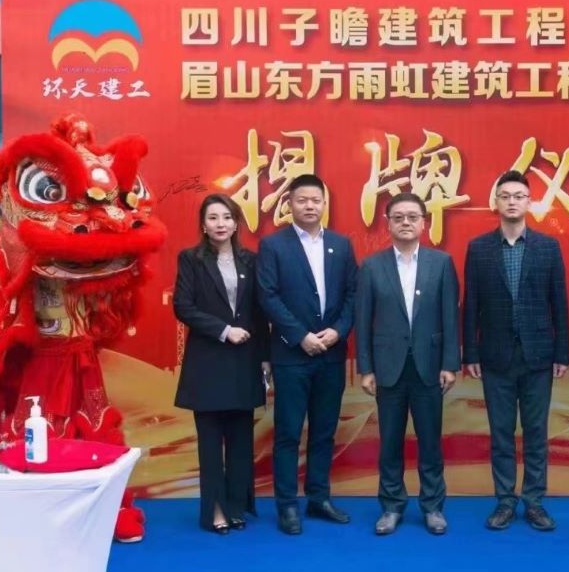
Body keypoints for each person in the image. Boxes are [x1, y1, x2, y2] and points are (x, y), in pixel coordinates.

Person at [462, 170, 569, 531]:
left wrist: (562, 353)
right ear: (496, 202)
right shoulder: (479, 248)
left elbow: (559, 303)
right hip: (495, 357)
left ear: (529, 202)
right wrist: (470, 354)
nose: (511, 201)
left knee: (536, 432)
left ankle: (534, 501)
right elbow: (471, 304)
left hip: (538, 355)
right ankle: (505, 501)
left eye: (519, 196)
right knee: (501, 433)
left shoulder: (548, 247)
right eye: (505, 196)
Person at [257, 174, 358, 535]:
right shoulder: (273, 245)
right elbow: (267, 296)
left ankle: (319, 497)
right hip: (292, 355)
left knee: (324, 431)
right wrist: (300, 336)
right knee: (287, 432)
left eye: (316, 200)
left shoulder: (341, 245)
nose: (310, 206)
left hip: (331, 354)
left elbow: (353, 294)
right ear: (290, 204)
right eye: (302, 200)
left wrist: (338, 331)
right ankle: (287, 505)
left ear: (324, 204)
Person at [355, 192, 460, 536]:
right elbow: (362, 320)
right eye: (398, 217)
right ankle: (391, 506)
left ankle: (433, 507)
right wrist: (366, 368)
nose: (405, 223)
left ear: (423, 223)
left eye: (412, 217)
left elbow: (450, 316)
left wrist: (450, 363)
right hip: (388, 368)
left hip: (429, 366)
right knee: (390, 443)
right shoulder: (371, 266)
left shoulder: (441, 263)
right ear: (387, 223)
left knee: (430, 443)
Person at [174, 193, 268, 535]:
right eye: (213, 218)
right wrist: (225, 331)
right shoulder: (191, 259)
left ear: (236, 222)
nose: (220, 224)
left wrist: (265, 357)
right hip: (208, 363)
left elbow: (259, 313)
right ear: (203, 224)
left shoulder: (251, 261)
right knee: (211, 443)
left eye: (227, 217)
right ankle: (214, 509)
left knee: (241, 441)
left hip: (245, 362)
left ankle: (235, 506)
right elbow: (183, 307)